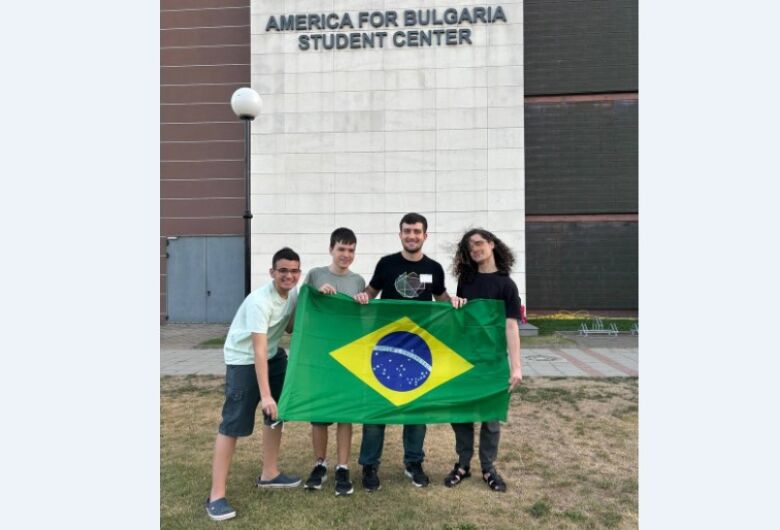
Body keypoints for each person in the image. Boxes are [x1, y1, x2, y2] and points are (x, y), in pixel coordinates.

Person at [353, 212, 464, 492]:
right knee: (377, 410)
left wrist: (457, 301)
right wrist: (363, 297)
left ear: (425, 236)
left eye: (417, 231)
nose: (412, 236)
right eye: (407, 231)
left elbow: (442, 300)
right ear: (400, 234)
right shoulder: (387, 264)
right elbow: (370, 292)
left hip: (418, 351)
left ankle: (413, 463)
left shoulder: (434, 269)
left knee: (416, 411)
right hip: (384, 348)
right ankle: (369, 465)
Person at [205, 247, 303, 521]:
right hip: (244, 361)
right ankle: (216, 496)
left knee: (276, 416)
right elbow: (257, 350)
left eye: (294, 271)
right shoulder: (259, 301)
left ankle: (270, 474)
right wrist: (266, 395)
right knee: (232, 424)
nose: (289, 275)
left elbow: (289, 328)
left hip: (273, 356)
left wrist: (308, 300)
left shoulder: (292, 292)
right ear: (272, 272)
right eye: (283, 270)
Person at [443, 228, 523, 492]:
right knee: (462, 414)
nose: (475, 249)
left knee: (490, 418)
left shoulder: (506, 285)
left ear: (491, 244)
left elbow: (511, 327)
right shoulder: (466, 281)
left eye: (478, 243)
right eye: (470, 247)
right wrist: (457, 304)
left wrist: (517, 367)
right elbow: (462, 320)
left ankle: (488, 468)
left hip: (492, 362)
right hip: (465, 360)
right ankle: (463, 465)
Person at [302, 228, 366, 496]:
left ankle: (342, 467)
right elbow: (304, 309)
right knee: (319, 415)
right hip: (320, 355)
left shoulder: (359, 281)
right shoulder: (316, 275)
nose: (346, 255)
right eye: (341, 249)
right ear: (331, 249)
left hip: (349, 356)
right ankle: (320, 464)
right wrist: (318, 293)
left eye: (351, 250)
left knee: (344, 413)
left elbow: (361, 323)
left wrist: (365, 303)